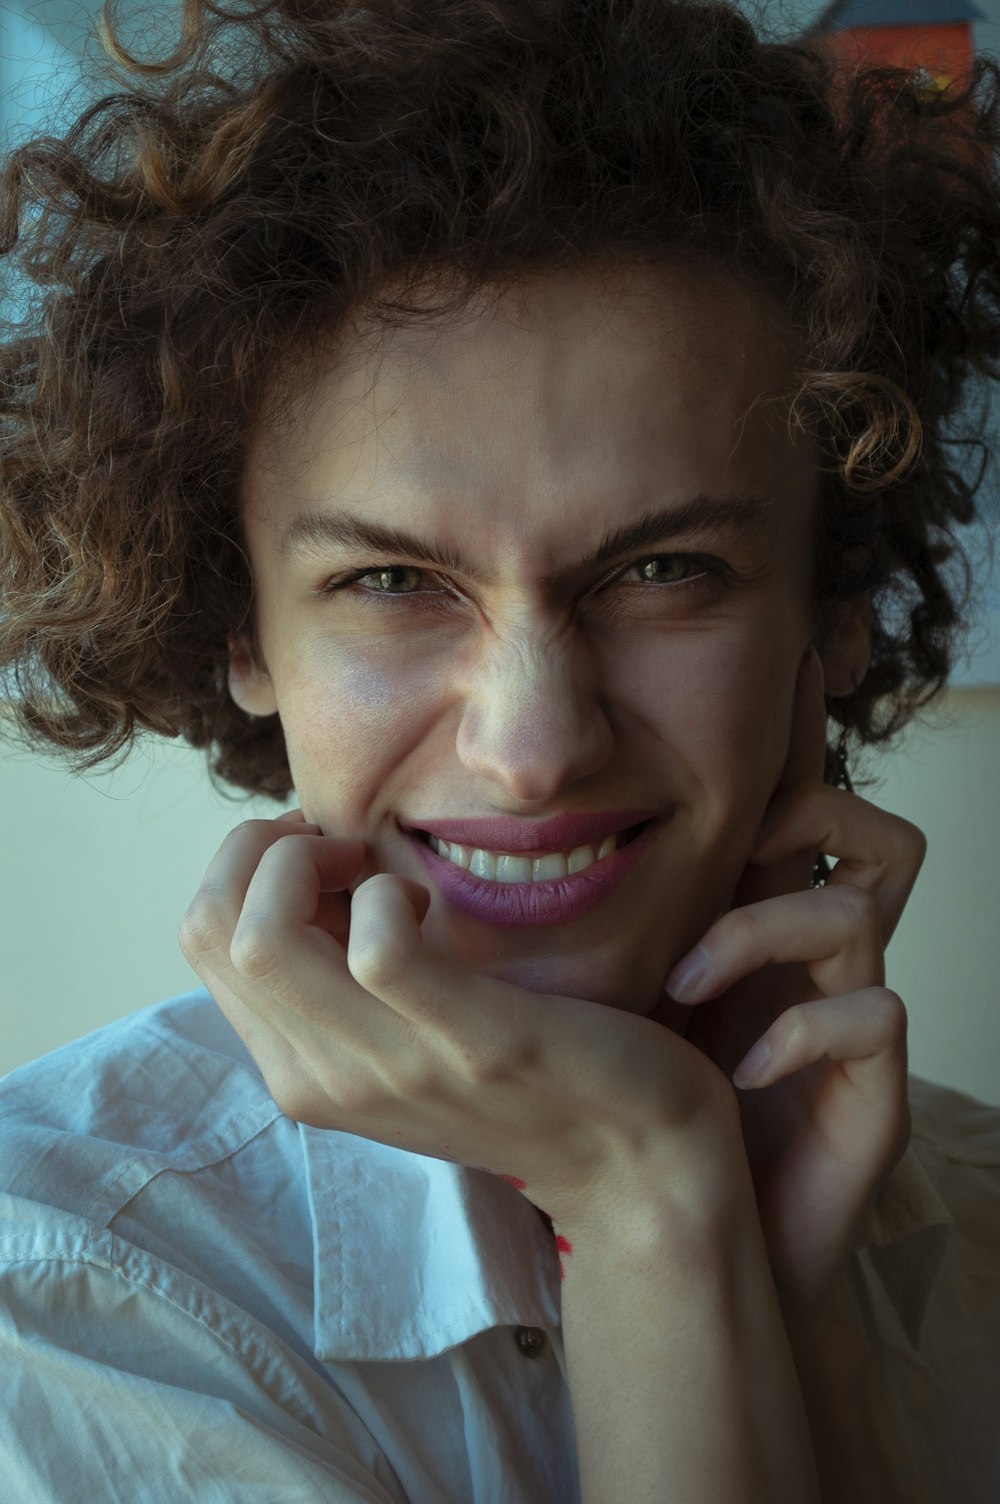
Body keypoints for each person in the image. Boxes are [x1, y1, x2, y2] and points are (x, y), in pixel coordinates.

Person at [1, 0, 999, 1498]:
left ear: (836, 609)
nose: (533, 748)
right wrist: (642, 1190)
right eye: (394, 583)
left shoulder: (970, 1203)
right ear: (242, 636)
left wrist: (800, 1309)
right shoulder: (72, 1294)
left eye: (664, 572)